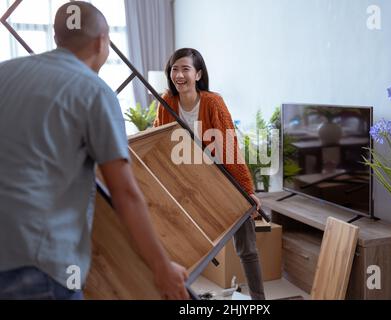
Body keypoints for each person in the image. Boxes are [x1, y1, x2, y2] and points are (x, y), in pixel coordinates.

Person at [0, 1, 188, 300]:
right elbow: (125, 193)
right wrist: (162, 268)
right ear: (103, 41)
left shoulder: (5, 72)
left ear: (56, 38)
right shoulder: (93, 90)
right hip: (39, 266)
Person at [153, 48, 266, 300]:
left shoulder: (213, 102)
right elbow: (159, 138)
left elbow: (229, 147)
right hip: (188, 184)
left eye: (185, 69)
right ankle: (188, 298)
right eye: (174, 69)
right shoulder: (166, 102)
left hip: (223, 180)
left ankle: (259, 300)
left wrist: (246, 191)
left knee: (246, 246)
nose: (179, 75)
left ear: (198, 73)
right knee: (185, 246)